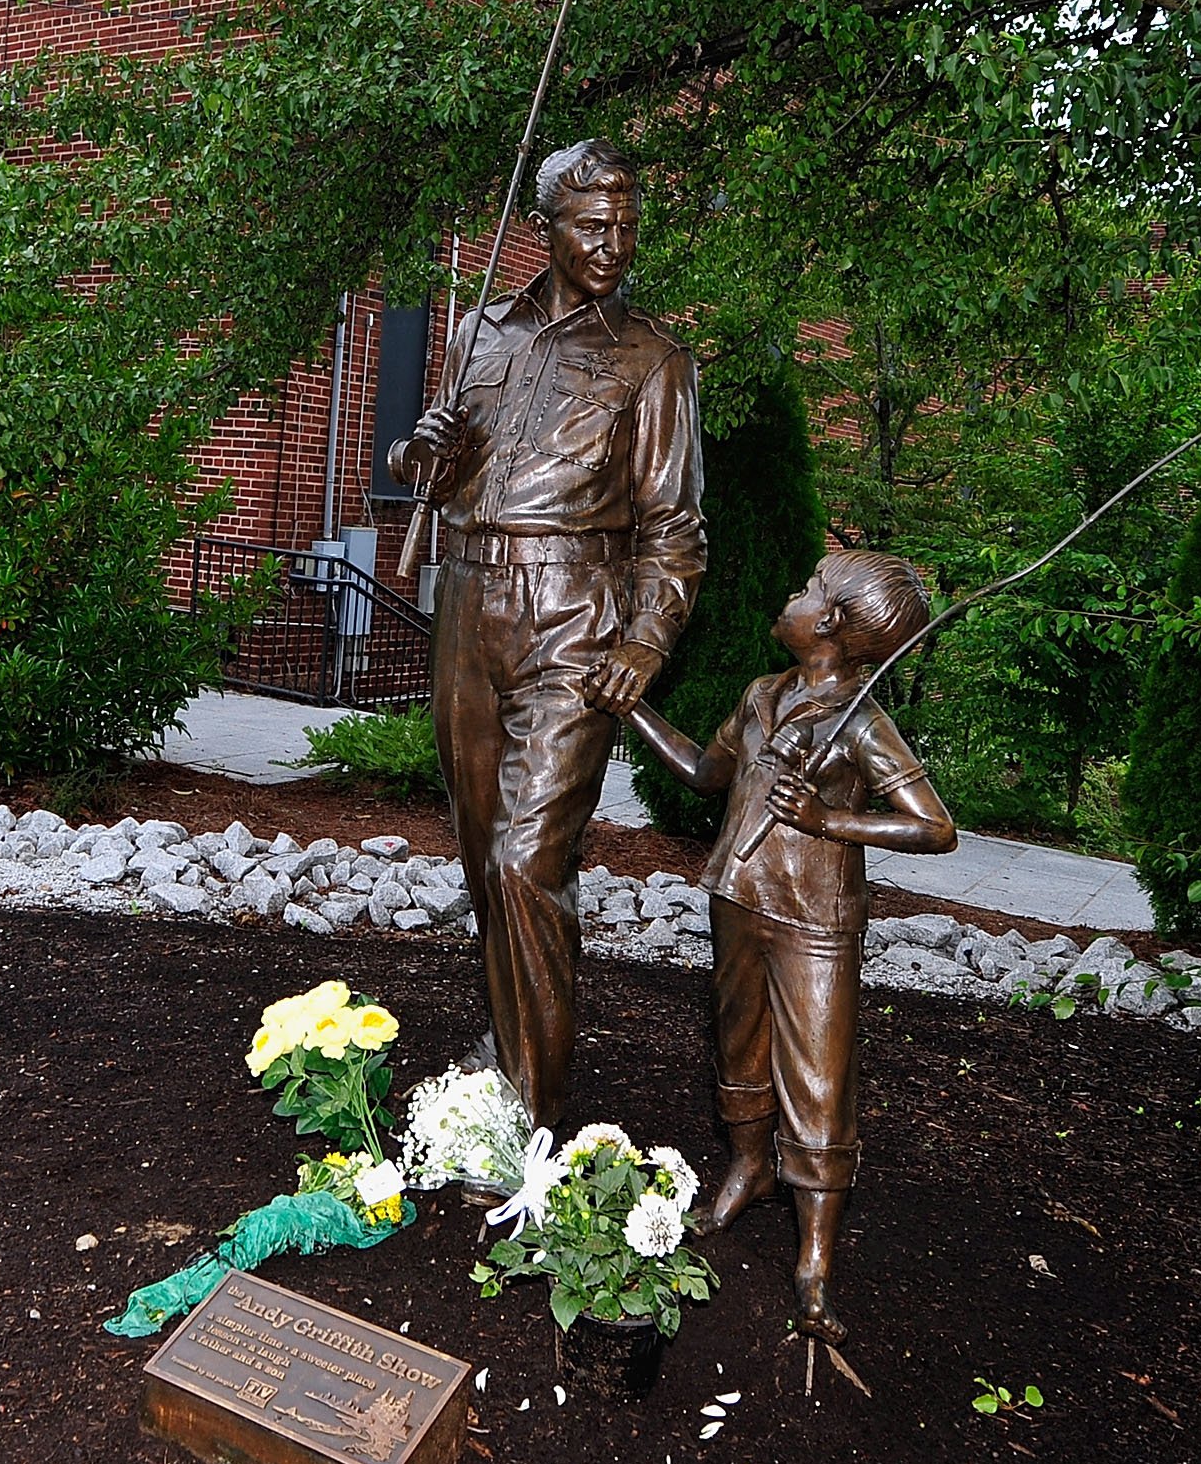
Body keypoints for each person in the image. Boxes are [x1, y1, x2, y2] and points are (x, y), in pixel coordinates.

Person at [387, 140, 704, 1129]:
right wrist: (417, 452)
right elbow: (430, 478)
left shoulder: (652, 358)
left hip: (575, 613)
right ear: (545, 225)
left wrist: (644, 642)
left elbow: (676, 525)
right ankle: (507, 1039)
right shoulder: (479, 330)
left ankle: (528, 1114)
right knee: (486, 854)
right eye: (592, 224)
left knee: (531, 861)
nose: (614, 244)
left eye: (628, 226)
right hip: (468, 600)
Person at [626, 549, 956, 1344]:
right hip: (739, 898)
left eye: (807, 587)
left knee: (817, 1075)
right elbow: (708, 773)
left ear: (833, 627)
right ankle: (748, 1165)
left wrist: (827, 820)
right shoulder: (761, 695)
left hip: (814, 920)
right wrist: (628, 707)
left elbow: (935, 827)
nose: (791, 592)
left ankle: (813, 1258)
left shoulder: (864, 721)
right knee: (739, 1044)